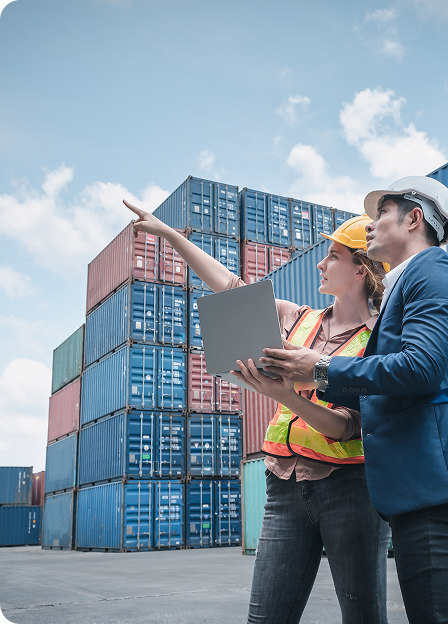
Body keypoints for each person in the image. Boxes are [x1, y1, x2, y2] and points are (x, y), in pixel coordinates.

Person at [123, 200, 392, 624]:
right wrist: (171, 235)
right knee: (265, 619)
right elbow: (232, 287)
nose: (321, 264)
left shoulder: (377, 342)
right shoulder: (299, 319)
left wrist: (287, 396)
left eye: (333, 256)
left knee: (364, 618)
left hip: (350, 491)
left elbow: (349, 427)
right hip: (283, 486)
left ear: (361, 269)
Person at [245, 176, 448, 624]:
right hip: (415, 488)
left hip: (434, 486)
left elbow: (421, 367)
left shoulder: (431, 270)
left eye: (382, 212)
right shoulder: (406, 284)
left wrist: (320, 370)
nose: (371, 224)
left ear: (414, 218)